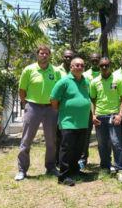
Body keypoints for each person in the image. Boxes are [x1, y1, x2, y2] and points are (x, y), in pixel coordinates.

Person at [15, 45, 61, 181]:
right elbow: (21, 90)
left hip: (50, 108)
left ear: (50, 55)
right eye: (42, 53)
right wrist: (26, 104)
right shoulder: (29, 70)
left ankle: (51, 167)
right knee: (26, 140)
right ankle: (22, 170)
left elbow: (59, 90)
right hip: (33, 107)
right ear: (37, 54)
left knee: (51, 141)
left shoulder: (55, 71)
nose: (44, 56)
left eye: (47, 53)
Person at [50, 57, 91, 186]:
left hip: (83, 122)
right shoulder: (64, 82)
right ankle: (64, 176)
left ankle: (74, 170)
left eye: (82, 65)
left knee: (78, 149)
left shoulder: (86, 81)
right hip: (68, 122)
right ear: (71, 67)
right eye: (77, 65)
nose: (80, 67)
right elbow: (53, 100)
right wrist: (65, 110)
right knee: (67, 149)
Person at [90, 57, 122, 182]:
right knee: (102, 144)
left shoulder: (118, 79)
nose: (104, 68)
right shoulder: (94, 82)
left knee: (116, 143)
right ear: (99, 67)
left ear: (110, 66)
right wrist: (93, 115)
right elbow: (92, 99)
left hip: (113, 116)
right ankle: (105, 167)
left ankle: (120, 169)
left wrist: (120, 114)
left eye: (106, 65)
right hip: (100, 117)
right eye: (102, 66)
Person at [79, 52, 101, 170]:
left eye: (97, 59)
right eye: (92, 59)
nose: (95, 61)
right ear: (90, 60)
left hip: (102, 110)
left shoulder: (106, 73)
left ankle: (106, 161)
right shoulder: (85, 75)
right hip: (87, 111)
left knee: (104, 138)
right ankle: (83, 160)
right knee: (85, 137)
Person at [55, 49, 74, 166]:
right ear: (62, 57)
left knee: (70, 136)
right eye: (66, 57)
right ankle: (57, 160)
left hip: (72, 110)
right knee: (58, 135)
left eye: (70, 57)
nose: (68, 59)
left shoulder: (76, 71)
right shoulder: (57, 71)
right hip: (59, 108)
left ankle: (70, 160)